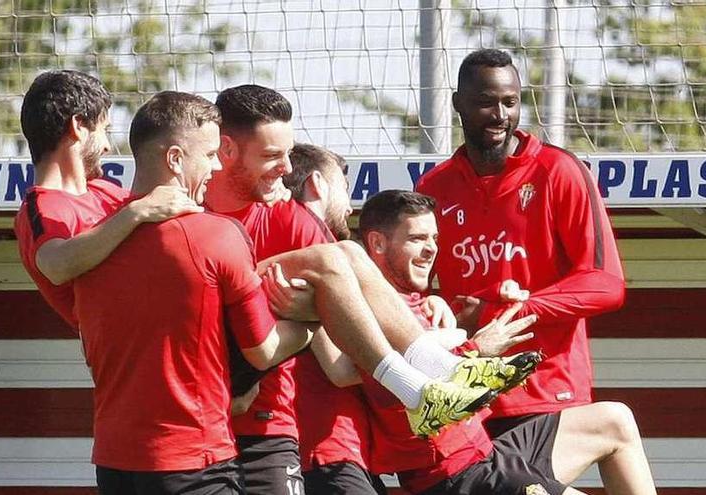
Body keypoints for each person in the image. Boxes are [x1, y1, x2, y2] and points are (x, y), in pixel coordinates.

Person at [205, 84, 539, 494]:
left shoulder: (293, 223)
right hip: (222, 405)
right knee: (335, 256)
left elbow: (332, 335)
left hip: (275, 423)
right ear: (226, 151)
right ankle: (428, 378)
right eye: (274, 156)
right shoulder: (186, 208)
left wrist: (311, 311)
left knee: (340, 253)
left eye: (289, 154)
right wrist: (464, 344)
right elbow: (335, 365)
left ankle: (437, 374)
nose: (286, 168)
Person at [74, 91, 314, 494]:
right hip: (192, 460)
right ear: (174, 159)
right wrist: (313, 318)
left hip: (114, 465)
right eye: (208, 155)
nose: (217, 165)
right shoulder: (216, 235)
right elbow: (264, 349)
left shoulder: (90, 242)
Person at [350, 190, 657, 495]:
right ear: (377, 243)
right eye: (417, 238)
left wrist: (492, 296)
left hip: (487, 456)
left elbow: (439, 342)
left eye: (434, 239)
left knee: (614, 420)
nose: (431, 249)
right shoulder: (366, 310)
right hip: (454, 479)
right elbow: (392, 376)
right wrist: (476, 349)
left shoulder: (422, 301)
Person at [415, 48, 627, 437]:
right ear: (458, 103)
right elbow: (421, 293)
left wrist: (511, 310)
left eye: (510, 103)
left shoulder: (559, 171)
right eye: (485, 103)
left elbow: (604, 283)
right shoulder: (434, 188)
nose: (500, 116)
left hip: (544, 387)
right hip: (466, 391)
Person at [14, 70, 201, 328]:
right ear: (79, 126)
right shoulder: (41, 207)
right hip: (129, 355)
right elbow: (56, 265)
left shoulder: (105, 191)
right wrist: (137, 212)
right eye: (105, 130)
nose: (107, 146)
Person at [282, 143, 386, 495]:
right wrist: (441, 354)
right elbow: (341, 368)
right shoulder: (313, 250)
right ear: (318, 185)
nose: (351, 205)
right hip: (322, 447)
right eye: (344, 189)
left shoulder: (312, 242)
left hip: (340, 448)